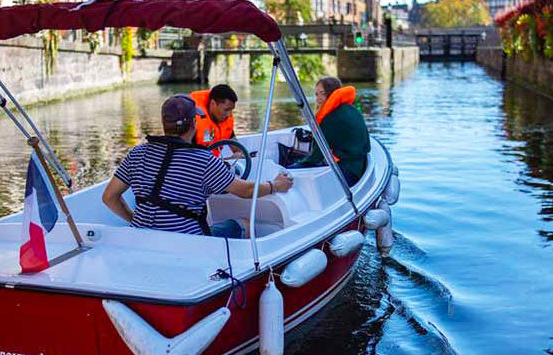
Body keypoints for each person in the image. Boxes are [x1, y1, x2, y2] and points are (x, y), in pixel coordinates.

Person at [101, 94, 293, 238]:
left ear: (164, 123)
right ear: (194, 123)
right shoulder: (203, 160)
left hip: (143, 237)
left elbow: (109, 197)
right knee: (245, 223)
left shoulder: (137, 153)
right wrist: (275, 185)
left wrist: (135, 220)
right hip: (190, 243)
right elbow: (247, 190)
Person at [293, 77, 371, 185]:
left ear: (331, 93)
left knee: (293, 171)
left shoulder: (330, 118)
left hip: (349, 172)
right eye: (316, 94)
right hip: (361, 166)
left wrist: (294, 166)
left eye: (322, 93)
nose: (318, 99)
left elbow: (315, 157)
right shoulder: (351, 109)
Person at [190, 84, 237, 155]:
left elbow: (238, 150)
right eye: (226, 110)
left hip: (213, 162)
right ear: (213, 103)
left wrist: (237, 154)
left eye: (231, 110)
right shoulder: (192, 122)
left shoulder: (224, 120)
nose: (228, 114)